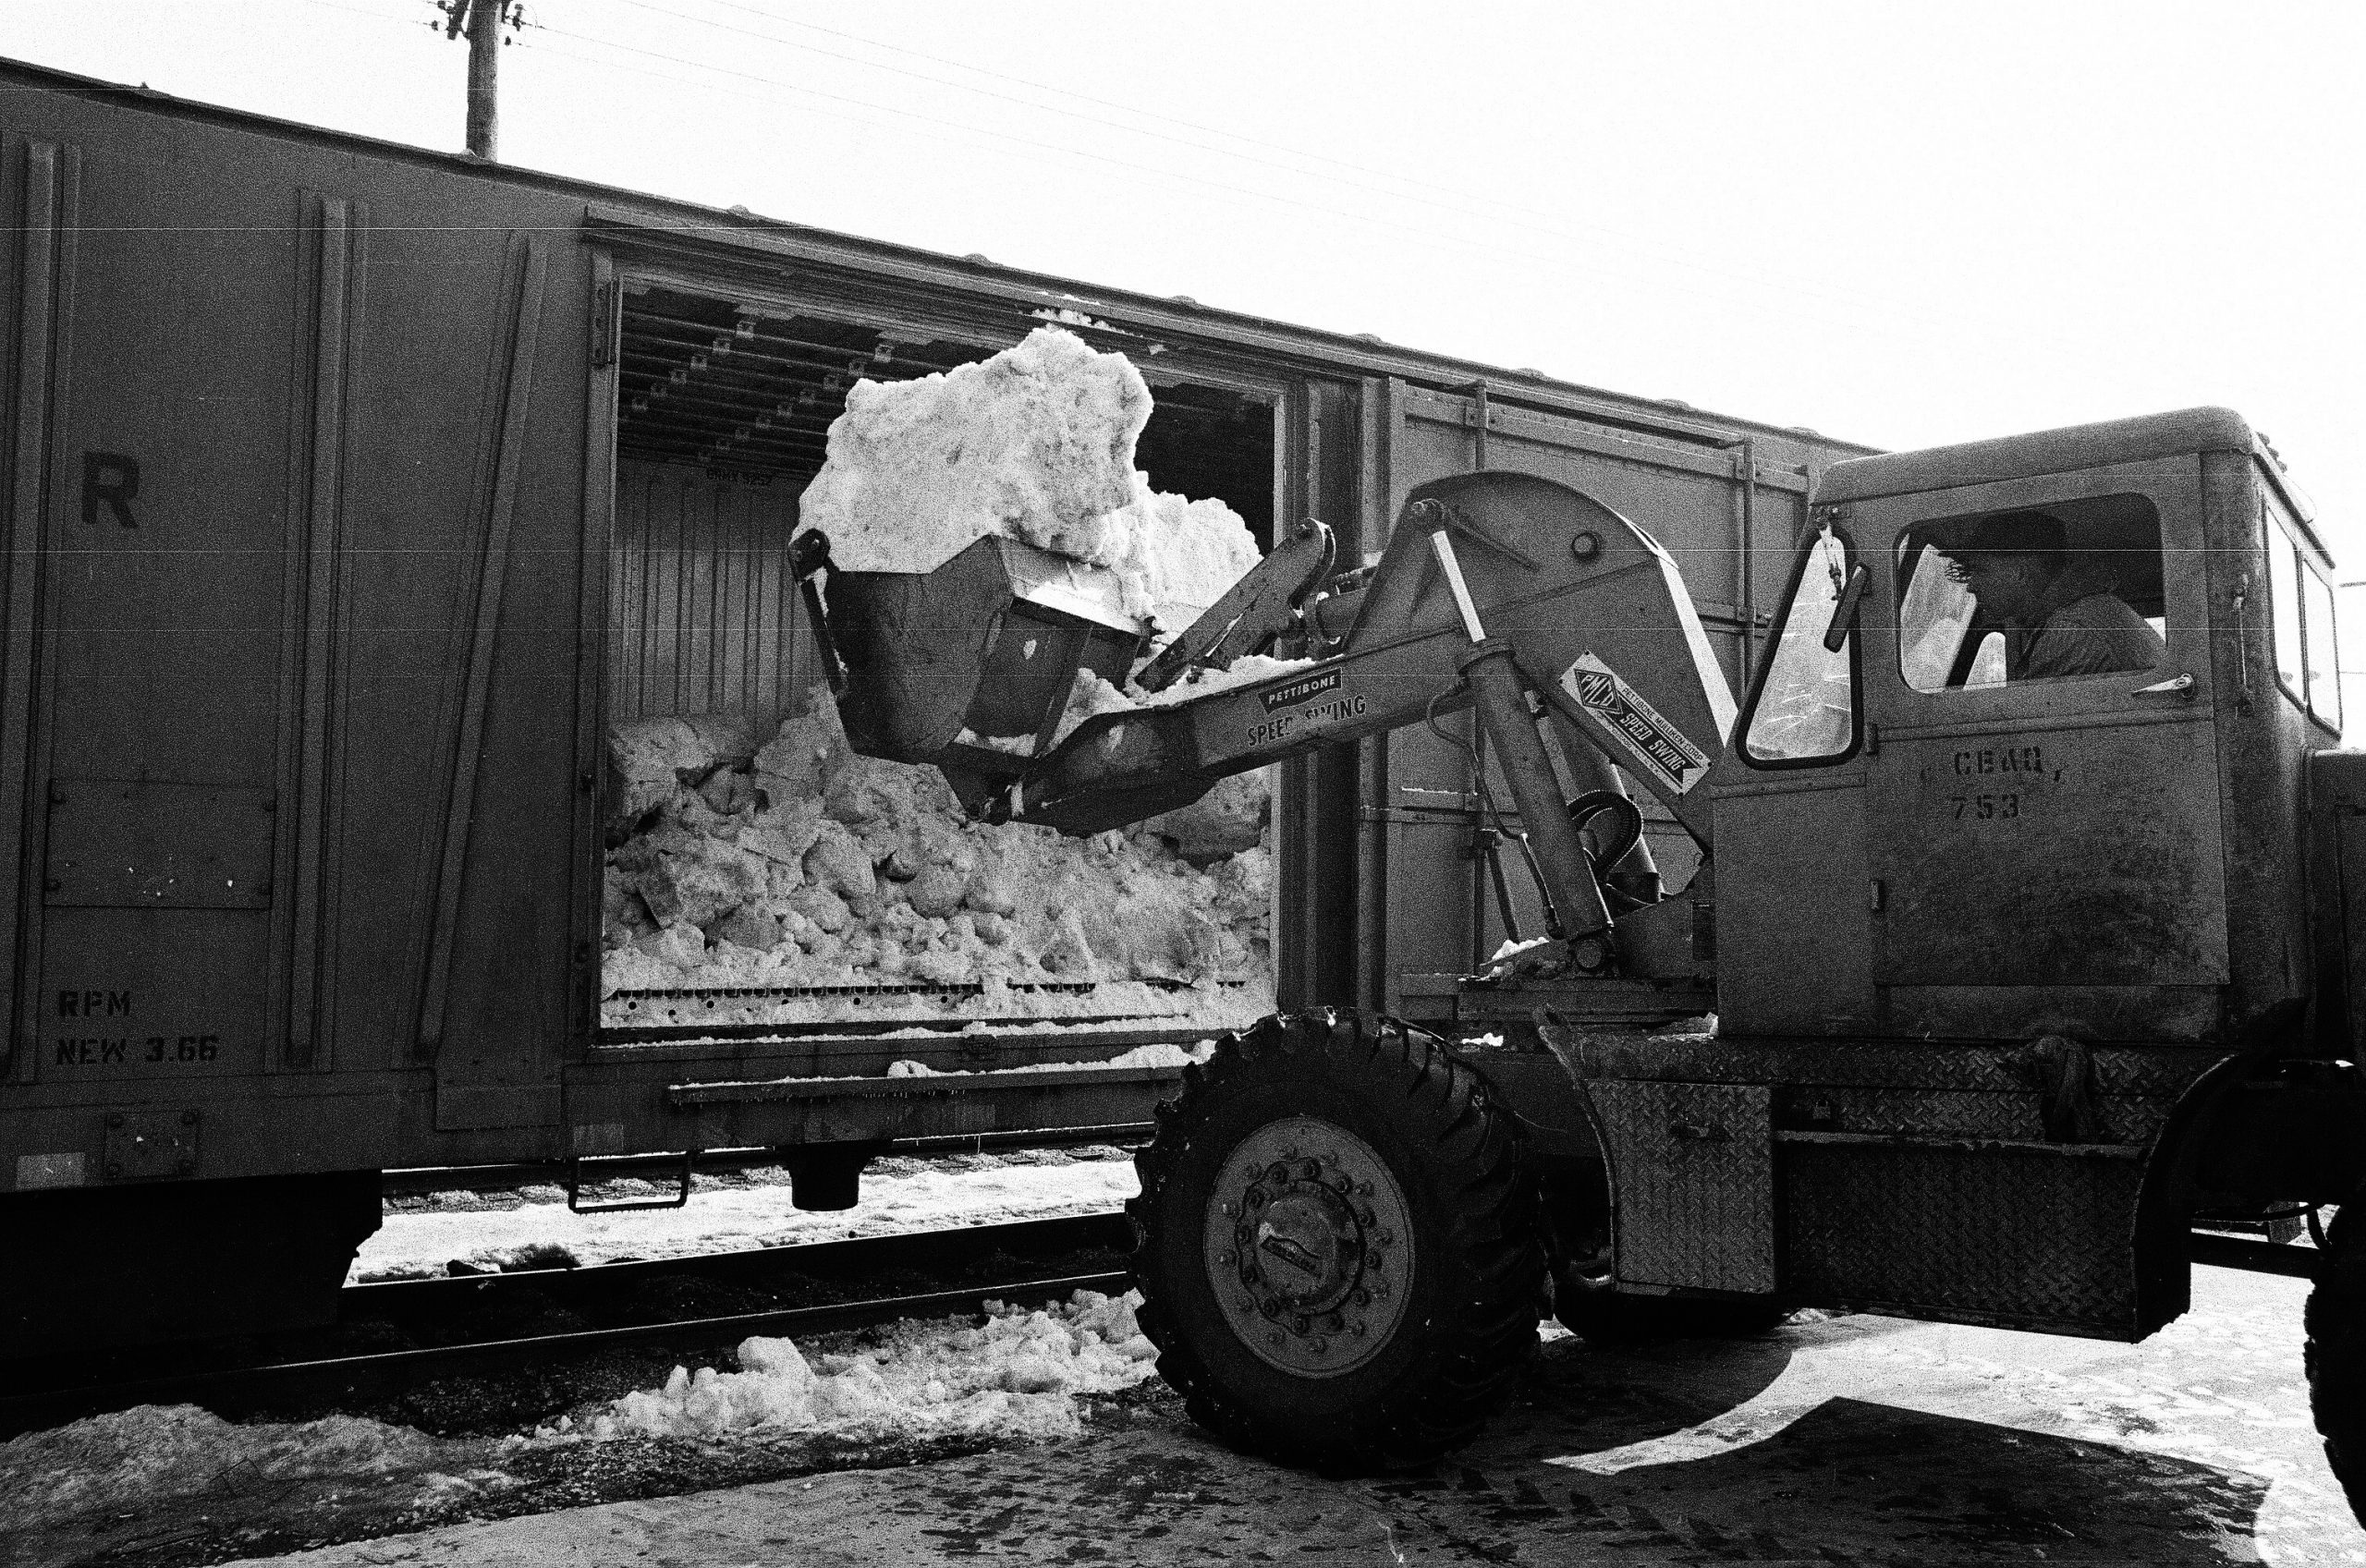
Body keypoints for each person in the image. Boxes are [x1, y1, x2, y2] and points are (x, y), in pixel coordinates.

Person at [1939, 510, 2165, 682]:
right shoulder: (2082, 614)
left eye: (1980, 570)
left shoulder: (2070, 631)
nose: (1971, 586)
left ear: (2020, 572)